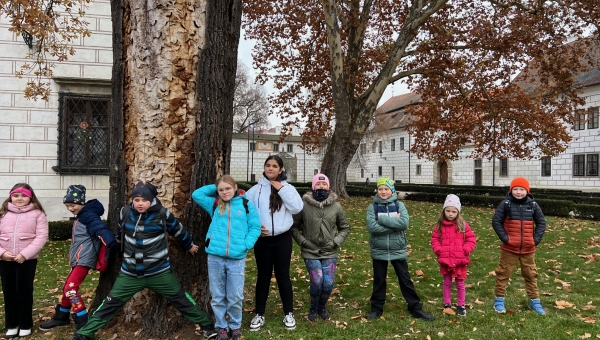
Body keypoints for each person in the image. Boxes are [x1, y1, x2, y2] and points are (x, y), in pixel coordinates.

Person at [71, 181, 216, 340]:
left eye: (144, 200)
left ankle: (207, 325)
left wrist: (188, 245)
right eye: (136, 200)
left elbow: (178, 231)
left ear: (152, 199)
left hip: (159, 272)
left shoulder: (162, 214)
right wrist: (119, 241)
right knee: (109, 304)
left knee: (181, 299)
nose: (140, 204)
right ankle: (84, 333)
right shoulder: (125, 212)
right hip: (130, 274)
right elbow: (121, 230)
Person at [192, 175, 261, 340]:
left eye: (228, 188)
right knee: (217, 296)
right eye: (221, 190)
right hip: (215, 257)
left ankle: (235, 326)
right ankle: (221, 326)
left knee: (235, 296)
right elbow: (196, 195)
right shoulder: (215, 204)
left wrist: (246, 244)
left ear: (235, 187)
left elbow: (255, 226)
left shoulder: (245, 205)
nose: (224, 192)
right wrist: (215, 186)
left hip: (237, 258)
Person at [40, 185, 117, 332]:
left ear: (81, 203)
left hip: (84, 259)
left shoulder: (88, 216)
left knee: (70, 289)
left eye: (73, 205)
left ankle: (83, 320)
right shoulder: (82, 214)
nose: (70, 208)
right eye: (67, 205)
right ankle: (61, 316)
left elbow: (100, 228)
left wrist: (110, 241)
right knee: (67, 287)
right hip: (78, 258)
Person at [246, 155, 303, 331]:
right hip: (262, 240)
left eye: (274, 166)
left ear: (280, 170)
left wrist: (281, 189)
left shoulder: (288, 188)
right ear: (264, 168)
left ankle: (289, 314)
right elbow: (245, 211)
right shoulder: (255, 190)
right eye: (268, 165)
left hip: (282, 238)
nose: (270, 168)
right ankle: (259, 314)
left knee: (283, 276)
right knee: (263, 277)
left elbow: (297, 208)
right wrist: (254, 227)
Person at [365, 178, 435, 321]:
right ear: (377, 190)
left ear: (392, 190)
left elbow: (403, 223)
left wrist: (382, 220)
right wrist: (393, 223)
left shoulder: (399, 205)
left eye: (386, 189)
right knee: (379, 280)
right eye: (380, 189)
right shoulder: (372, 207)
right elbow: (372, 227)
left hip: (398, 249)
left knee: (405, 279)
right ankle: (376, 308)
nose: (383, 192)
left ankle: (415, 307)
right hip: (379, 249)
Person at [291, 174, 349, 322]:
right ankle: (313, 307)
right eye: (318, 184)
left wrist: (336, 242)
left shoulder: (336, 206)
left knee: (328, 283)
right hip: (310, 251)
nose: (321, 187)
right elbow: (294, 227)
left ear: (328, 187)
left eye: (324, 185)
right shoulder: (303, 205)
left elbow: (344, 228)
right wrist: (303, 242)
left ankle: (322, 306)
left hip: (330, 251)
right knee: (317, 282)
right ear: (313, 186)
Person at [492, 177, 547, 315]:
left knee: (531, 275)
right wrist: (505, 238)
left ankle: (534, 301)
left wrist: (535, 240)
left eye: (521, 189)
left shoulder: (533, 205)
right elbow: (496, 221)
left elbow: (541, 223)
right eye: (515, 189)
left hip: (528, 249)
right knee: (503, 273)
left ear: (527, 191)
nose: (518, 192)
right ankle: (499, 301)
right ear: (511, 190)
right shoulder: (506, 204)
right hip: (509, 248)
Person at [0, 183, 49, 338]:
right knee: (9, 292)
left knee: (24, 291)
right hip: (5, 259)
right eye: (16, 195)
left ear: (30, 197)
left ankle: (25, 323)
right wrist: (2, 253)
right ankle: (12, 324)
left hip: (26, 260)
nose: (19, 198)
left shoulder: (38, 214)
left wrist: (25, 254)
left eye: (23, 196)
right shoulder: (3, 213)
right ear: (10, 197)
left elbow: (41, 237)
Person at [430, 194, 476, 316]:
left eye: (454, 212)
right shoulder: (439, 226)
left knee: (460, 283)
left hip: (460, 259)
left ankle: (461, 304)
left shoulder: (463, 225)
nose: (450, 214)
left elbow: (471, 239)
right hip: (445, 259)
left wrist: (465, 250)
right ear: (444, 211)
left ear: (458, 212)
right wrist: (439, 251)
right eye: (448, 211)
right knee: (447, 282)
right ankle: (447, 303)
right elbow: (434, 240)